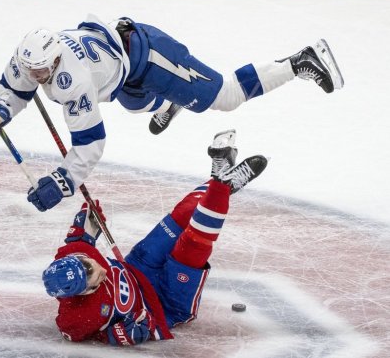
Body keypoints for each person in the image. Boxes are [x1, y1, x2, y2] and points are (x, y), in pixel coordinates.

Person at [0, 14, 343, 213]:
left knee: (225, 95)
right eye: (32, 69)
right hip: (124, 73)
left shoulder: (73, 81)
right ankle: (171, 101)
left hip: (150, 56)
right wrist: (0, 109)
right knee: (136, 106)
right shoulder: (30, 58)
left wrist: (62, 181)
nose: (36, 77)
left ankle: (300, 61)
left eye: (42, 71)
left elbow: (90, 142)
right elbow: (16, 87)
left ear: (55, 59)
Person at [41, 130, 267, 345]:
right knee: (191, 246)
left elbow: (81, 236)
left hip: (138, 265)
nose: (100, 269)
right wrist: (119, 335)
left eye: (89, 264)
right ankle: (221, 185)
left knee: (181, 216)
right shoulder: (78, 319)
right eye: (94, 278)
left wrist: (89, 218)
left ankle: (220, 181)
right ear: (85, 292)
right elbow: (95, 336)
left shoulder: (73, 254)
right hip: (163, 303)